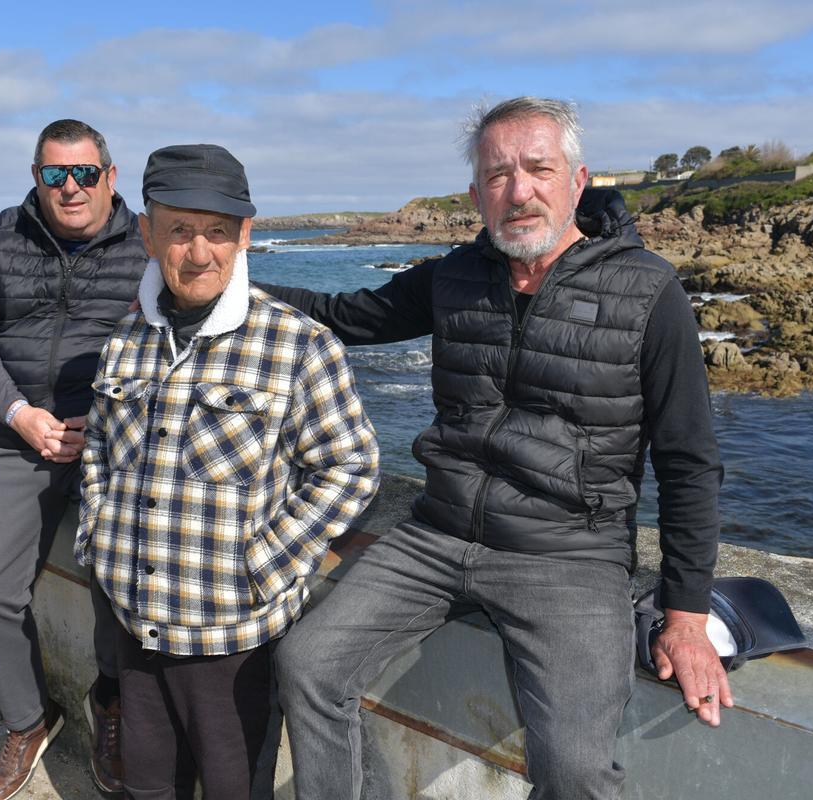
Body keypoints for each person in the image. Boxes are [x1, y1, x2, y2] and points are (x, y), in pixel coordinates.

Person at [264, 97, 730, 799]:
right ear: (476, 194)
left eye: (538, 168)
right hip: (438, 534)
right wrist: (221, 283)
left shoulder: (648, 291)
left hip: (570, 554)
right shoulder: (455, 276)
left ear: (579, 179)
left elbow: (689, 459)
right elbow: (342, 317)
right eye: (498, 175)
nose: (520, 191)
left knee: (573, 767)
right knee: (307, 665)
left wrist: (687, 616)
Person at [74, 143, 380, 799]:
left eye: (218, 231)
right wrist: (98, 540)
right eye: (179, 230)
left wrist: (267, 559)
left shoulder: (298, 343)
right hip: (135, 627)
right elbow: (100, 450)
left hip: (233, 642)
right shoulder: (126, 342)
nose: (200, 251)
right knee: (147, 788)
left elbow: (350, 467)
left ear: (244, 235)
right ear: (147, 233)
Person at [0, 119, 148, 800]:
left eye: (85, 174)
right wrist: (19, 414)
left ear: (110, 177)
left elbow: (183, 345)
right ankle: (28, 720)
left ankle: (113, 706)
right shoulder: (0, 236)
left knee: (130, 582)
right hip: (18, 433)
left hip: (116, 438)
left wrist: (112, 415)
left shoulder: (151, 243)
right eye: (55, 174)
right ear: (37, 177)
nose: (71, 188)